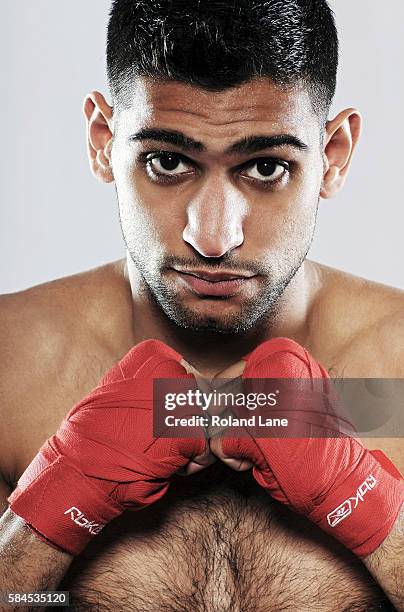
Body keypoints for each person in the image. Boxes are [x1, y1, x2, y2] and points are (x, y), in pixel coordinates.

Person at [0, 0, 403, 610]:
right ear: (104, 143)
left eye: (266, 167)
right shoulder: (12, 366)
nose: (212, 238)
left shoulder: (397, 365)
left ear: (335, 154)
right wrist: (52, 514)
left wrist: (365, 502)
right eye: (168, 162)